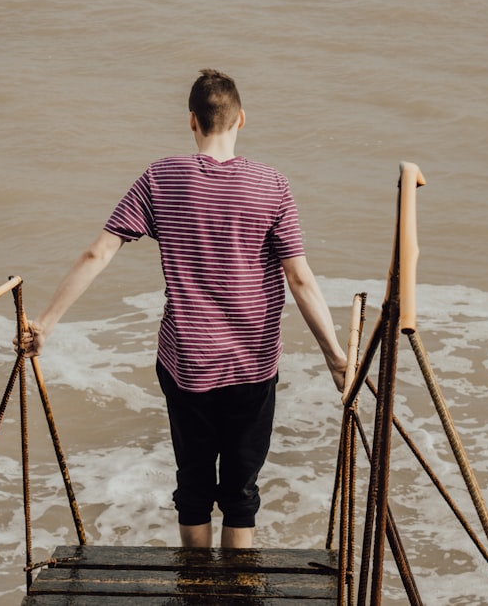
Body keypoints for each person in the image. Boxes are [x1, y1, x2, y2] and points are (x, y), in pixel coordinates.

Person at [20, 69, 347, 549]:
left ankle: (195, 589)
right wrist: (336, 358)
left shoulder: (160, 177)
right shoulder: (272, 185)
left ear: (192, 121)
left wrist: (44, 323)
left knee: (193, 485)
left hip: (187, 362)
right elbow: (299, 277)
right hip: (253, 364)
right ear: (241, 119)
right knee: (241, 491)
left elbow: (99, 253)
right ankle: (234, 595)